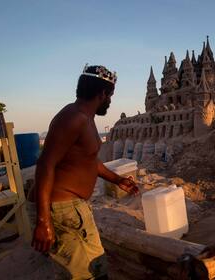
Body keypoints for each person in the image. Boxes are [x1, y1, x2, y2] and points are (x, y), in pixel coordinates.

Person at [30, 64, 139, 279]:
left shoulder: (85, 118)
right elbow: (45, 165)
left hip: (73, 209)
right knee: (85, 274)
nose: (110, 102)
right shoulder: (74, 118)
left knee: (96, 269)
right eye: (110, 96)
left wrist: (117, 179)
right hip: (62, 209)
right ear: (101, 94)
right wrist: (43, 221)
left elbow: (88, 160)